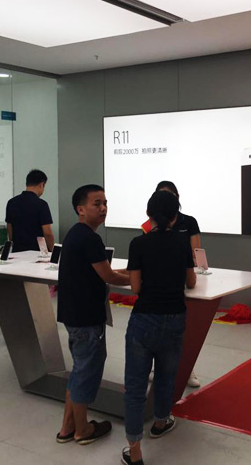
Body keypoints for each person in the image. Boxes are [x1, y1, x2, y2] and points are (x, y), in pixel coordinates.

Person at [122, 190, 197, 465]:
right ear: (175, 216)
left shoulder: (138, 244)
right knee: (166, 376)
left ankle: (135, 451)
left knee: (135, 386)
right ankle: (161, 422)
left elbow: (135, 287)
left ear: (148, 214)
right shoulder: (181, 243)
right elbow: (191, 282)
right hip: (175, 317)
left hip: (144, 319)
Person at [56, 184, 130, 446]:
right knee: (86, 371)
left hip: (74, 314)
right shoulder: (89, 238)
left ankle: (67, 427)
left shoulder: (76, 234)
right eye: (96, 204)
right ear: (80, 209)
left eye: (105, 203)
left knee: (80, 369)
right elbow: (108, 275)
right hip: (86, 317)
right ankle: (83, 430)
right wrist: (138, 278)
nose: (103, 208)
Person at [150, 180, 203, 388]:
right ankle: (156, 366)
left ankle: (187, 369)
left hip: (183, 278)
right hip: (157, 282)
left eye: (170, 195)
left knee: (184, 328)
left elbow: (196, 253)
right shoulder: (149, 224)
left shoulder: (189, 222)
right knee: (156, 328)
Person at [5, 169, 55, 252]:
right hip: (37, 252)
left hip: (17, 251)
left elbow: (9, 227)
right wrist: (52, 250)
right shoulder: (42, 204)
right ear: (41, 185)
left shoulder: (11, 202)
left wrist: (13, 243)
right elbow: (47, 233)